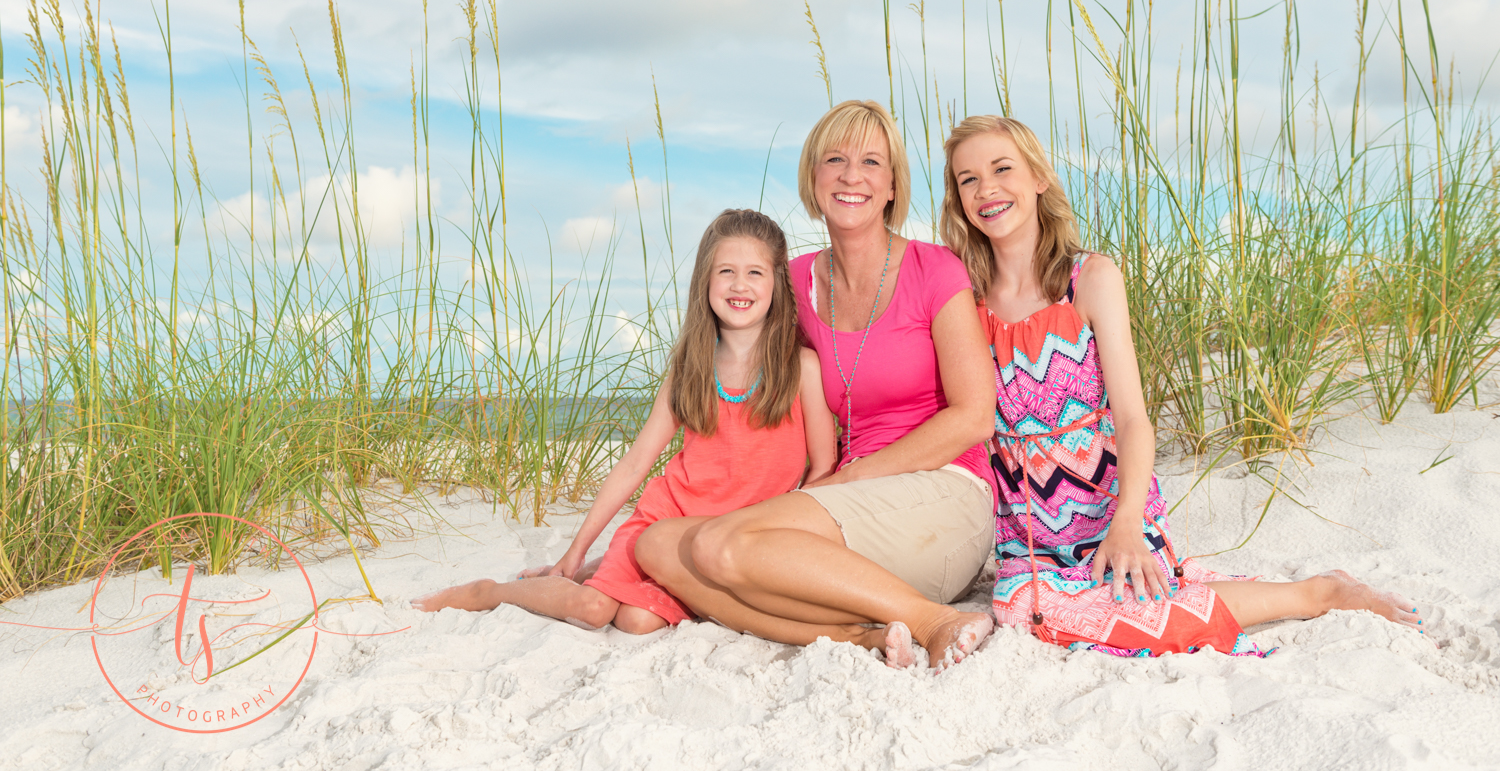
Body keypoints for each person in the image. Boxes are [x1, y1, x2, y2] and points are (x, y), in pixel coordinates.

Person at [941, 114, 1423, 655]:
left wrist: (1126, 523)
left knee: (1140, 607)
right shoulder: (963, 299)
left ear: (1038, 178)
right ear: (957, 197)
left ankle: (1318, 593)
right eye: (968, 179)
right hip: (1029, 531)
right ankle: (1298, 591)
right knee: (1029, 613)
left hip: (1110, 501)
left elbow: (1131, 418)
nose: (987, 189)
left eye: (1002, 168)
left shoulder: (1090, 279)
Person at [636, 100, 999, 671]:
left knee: (715, 547)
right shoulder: (797, 281)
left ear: (892, 186)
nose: (852, 175)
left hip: (942, 494)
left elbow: (975, 416)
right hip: (843, 499)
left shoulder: (936, 269)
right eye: (835, 159)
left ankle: (933, 620)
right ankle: (861, 637)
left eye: (871, 163)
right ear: (813, 177)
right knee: (657, 544)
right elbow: (736, 378)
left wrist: (854, 474)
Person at [413, 209, 838, 633]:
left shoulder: (800, 368)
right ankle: (488, 592)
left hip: (734, 539)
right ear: (705, 280)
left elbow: (822, 469)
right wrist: (573, 553)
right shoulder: (690, 369)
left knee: (637, 620)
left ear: (778, 283)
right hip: (668, 522)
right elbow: (635, 464)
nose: (739, 285)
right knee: (596, 610)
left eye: (755, 272)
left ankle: (608, 564)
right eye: (725, 270)